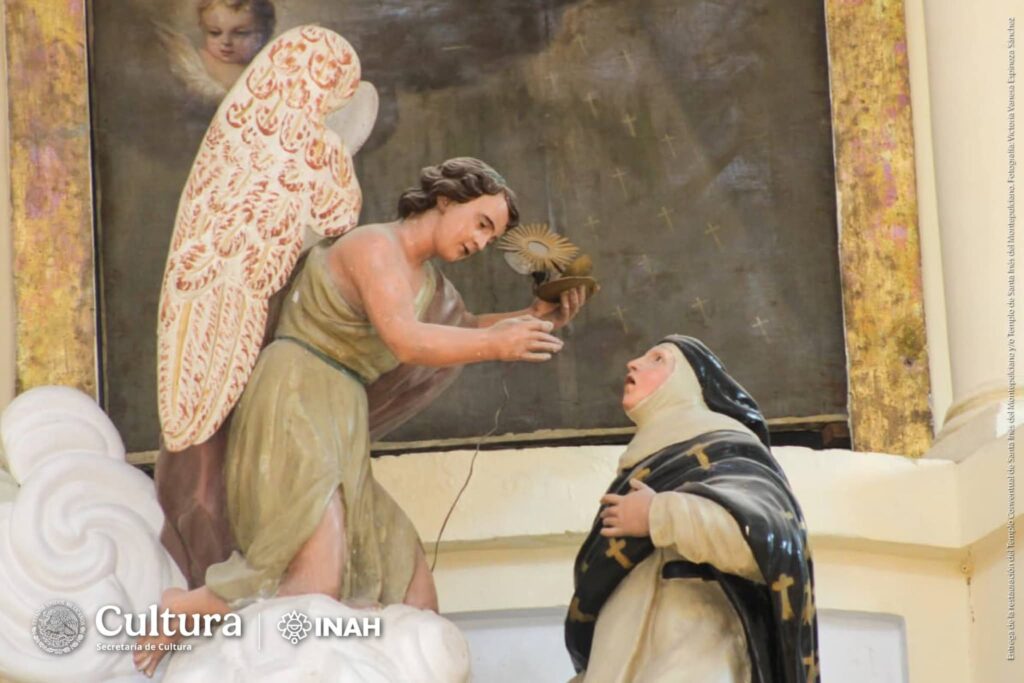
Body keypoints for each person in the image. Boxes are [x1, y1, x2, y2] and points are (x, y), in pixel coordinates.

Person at [137, 158, 590, 676]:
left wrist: (534, 318)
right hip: (295, 396)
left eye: (492, 236)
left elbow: (460, 330)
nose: (481, 242)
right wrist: (496, 344)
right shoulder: (374, 246)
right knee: (312, 578)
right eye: (481, 223)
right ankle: (186, 609)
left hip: (341, 414)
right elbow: (407, 339)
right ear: (446, 201)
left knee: (409, 586)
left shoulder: (431, 285)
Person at [566, 335, 819, 683]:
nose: (633, 363)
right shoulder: (644, 468)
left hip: (697, 654)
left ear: (687, 383)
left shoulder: (728, 449)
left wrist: (658, 514)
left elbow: (765, 542)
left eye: (657, 359)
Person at [196, 0, 275, 89]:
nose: (226, 41)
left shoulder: (268, 68)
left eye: (240, 33)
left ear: (263, 34)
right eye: (215, 33)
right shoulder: (197, 63)